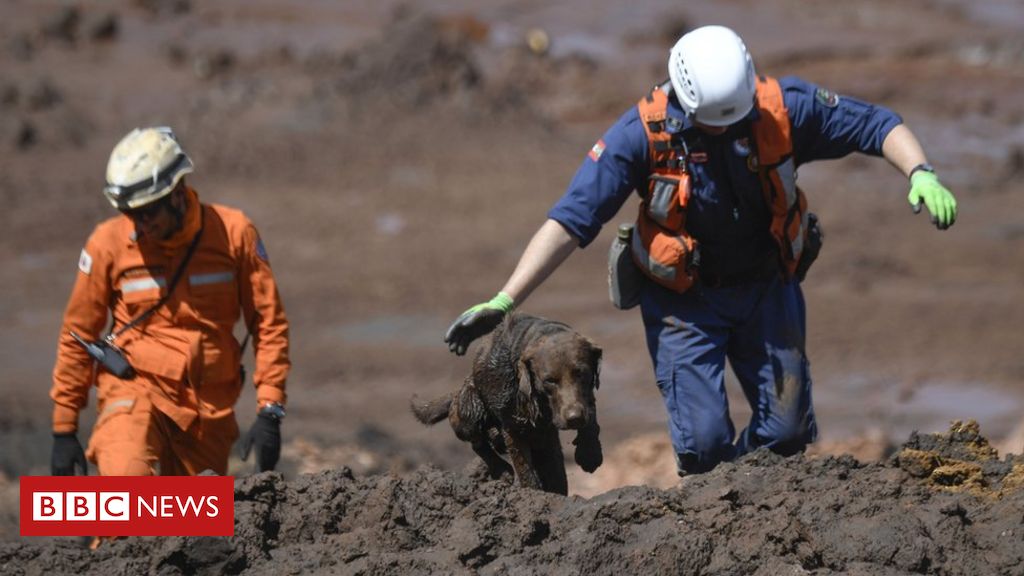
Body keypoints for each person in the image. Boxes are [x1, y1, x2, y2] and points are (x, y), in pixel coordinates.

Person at [444, 26, 957, 476]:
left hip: (766, 290)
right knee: (705, 446)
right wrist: (505, 300)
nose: (727, 128)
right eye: (714, 121)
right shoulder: (639, 135)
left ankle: (758, 496)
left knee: (787, 433)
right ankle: (721, 503)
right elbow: (570, 220)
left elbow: (878, 124)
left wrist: (920, 172)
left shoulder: (782, 108)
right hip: (684, 304)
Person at [50, 126, 291, 477]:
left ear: (177, 192)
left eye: (149, 212)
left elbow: (269, 323)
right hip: (134, 390)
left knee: (194, 525)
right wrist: (63, 426)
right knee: (127, 502)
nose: (141, 224)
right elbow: (78, 332)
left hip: (208, 409)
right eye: (133, 215)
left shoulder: (234, 234)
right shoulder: (108, 244)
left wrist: (270, 409)